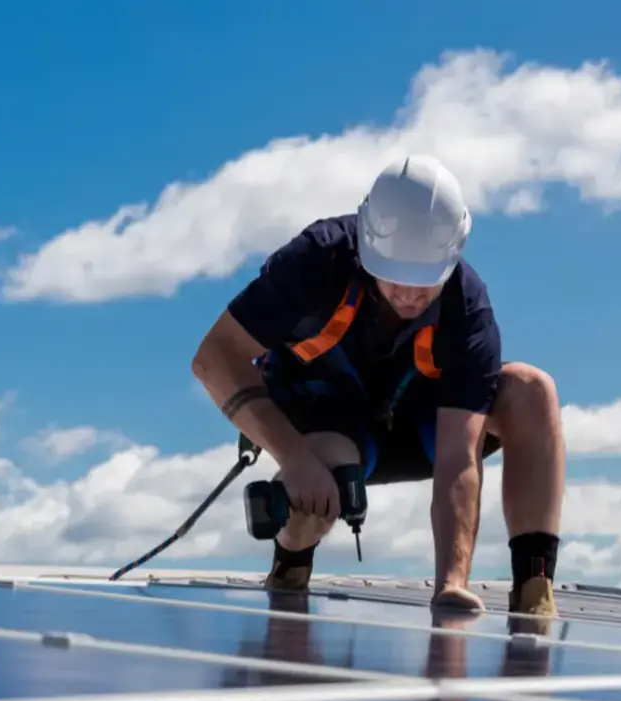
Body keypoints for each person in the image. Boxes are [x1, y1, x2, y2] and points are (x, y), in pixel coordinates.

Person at [192, 154, 565, 617]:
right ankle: (290, 566)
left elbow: (457, 459)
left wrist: (452, 584)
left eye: (423, 282)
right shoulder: (317, 260)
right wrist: (294, 456)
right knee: (327, 465)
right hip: (325, 424)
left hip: (422, 429)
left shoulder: (467, 308)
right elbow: (214, 357)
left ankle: (534, 587)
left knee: (532, 389)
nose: (409, 294)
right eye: (395, 277)